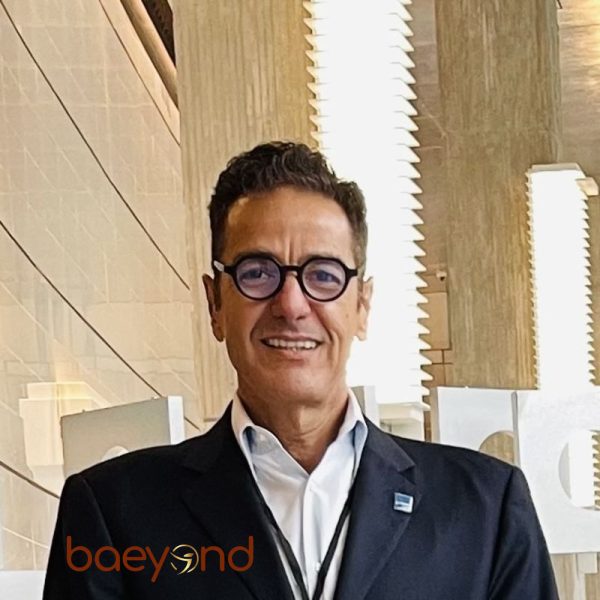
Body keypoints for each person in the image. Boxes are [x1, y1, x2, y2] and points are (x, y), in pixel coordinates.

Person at [43, 141, 559, 599]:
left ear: (362, 305)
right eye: (257, 272)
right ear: (215, 303)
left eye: (323, 275)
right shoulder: (114, 512)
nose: (291, 305)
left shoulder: (484, 508)